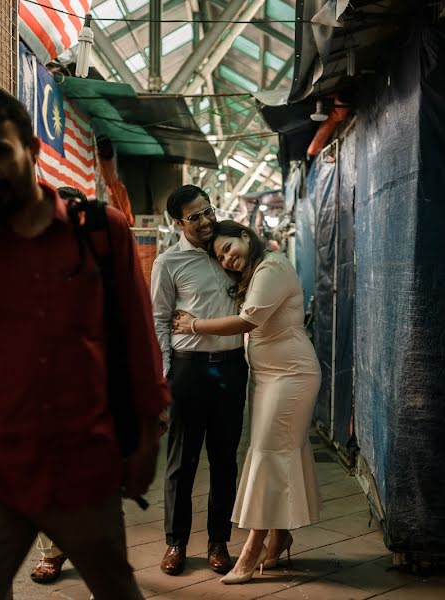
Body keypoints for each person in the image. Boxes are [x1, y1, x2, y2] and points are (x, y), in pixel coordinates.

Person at [0, 87, 169, 600]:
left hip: (84, 469)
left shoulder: (100, 232)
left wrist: (147, 436)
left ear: (31, 146)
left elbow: (138, 340)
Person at [172, 220, 321, 585]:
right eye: (220, 256)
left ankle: (252, 549)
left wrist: (194, 326)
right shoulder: (255, 272)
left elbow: (247, 321)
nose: (226, 259)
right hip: (269, 377)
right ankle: (280, 534)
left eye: (228, 248)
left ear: (245, 236)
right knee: (276, 453)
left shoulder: (273, 266)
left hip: (292, 376)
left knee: (270, 455)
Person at [150, 185, 248, 576]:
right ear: (178, 223)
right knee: (181, 462)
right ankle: (176, 543)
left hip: (230, 366)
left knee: (225, 459)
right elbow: (159, 319)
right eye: (196, 216)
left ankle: (219, 542)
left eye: (208, 211)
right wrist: (163, 375)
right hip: (188, 369)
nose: (206, 221)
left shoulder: (227, 252)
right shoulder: (169, 262)